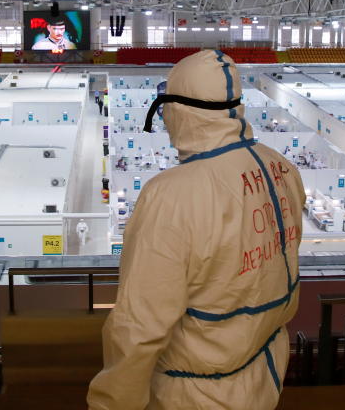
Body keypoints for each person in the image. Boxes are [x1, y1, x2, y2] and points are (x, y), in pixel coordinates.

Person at [88, 50, 305, 410]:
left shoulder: (172, 196)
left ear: (181, 112)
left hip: (193, 396)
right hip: (264, 379)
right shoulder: (281, 168)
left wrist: (111, 404)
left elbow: (139, 328)